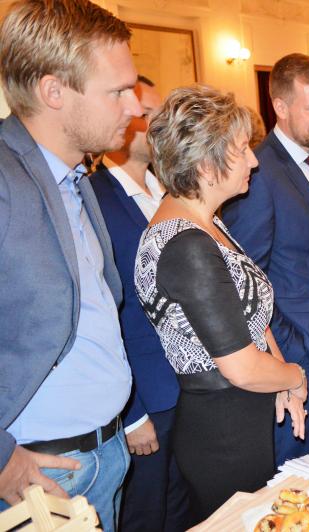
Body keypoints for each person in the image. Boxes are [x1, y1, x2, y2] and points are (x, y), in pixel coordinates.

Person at [135, 84, 308, 522]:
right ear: (207, 165)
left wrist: (280, 377)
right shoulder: (187, 245)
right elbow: (242, 367)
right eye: (242, 149)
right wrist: (295, 375)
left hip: (240, 419)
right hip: (223, 433)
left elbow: (249, 316)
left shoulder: (205, 222)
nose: (254, 160)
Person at [0, 1, 141, 529]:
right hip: (41, 475)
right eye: (118, 91)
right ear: (54, 91)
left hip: (102, 453)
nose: (135, 106)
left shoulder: (73, 176)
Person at [223, 53, 309, 465]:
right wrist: (291, 352)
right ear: (280, 106)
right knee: (292, 474)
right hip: (295, 358)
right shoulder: (258, 173)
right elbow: (246, 281)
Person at [90, 76, 190, 532]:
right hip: (146, 395)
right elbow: (105, 314)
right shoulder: (95, 197)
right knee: (146, 515)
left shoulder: (167, 193)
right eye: (149, 115)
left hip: (189, 385)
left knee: (185, 507)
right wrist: (131, 415)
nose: (158, 125)